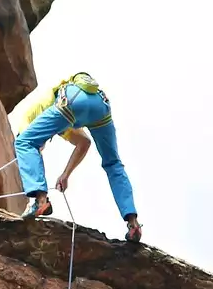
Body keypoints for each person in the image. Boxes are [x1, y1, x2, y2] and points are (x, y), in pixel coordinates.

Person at [8, 71, 142, 243]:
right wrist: (66, 174)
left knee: (23, 143)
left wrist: (37, 180)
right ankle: (133, 223)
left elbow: (30, 147)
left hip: (70, 103)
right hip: (99, 106)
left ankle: (40, 201)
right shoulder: (60, 123)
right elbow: (83, 143)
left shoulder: (29, 117)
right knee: (113, 163)